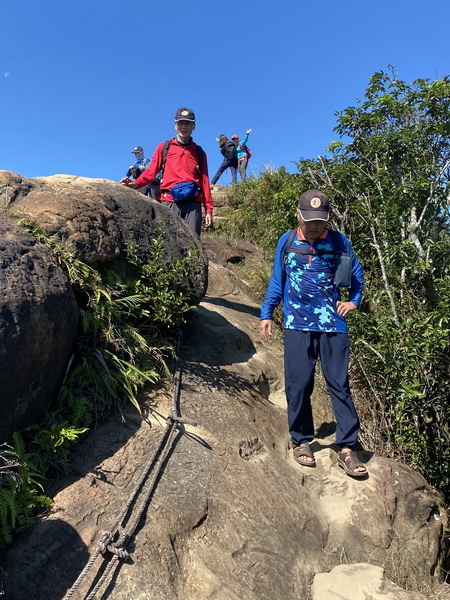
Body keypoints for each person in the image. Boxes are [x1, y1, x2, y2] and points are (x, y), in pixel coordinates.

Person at [260, 189, 367, 478]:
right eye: (308, 220)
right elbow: (277, 279)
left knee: (339, 385)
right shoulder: (287, 241)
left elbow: (357, 276)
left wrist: (353, 301)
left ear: (327, 219)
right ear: (299, 214)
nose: (313, 226)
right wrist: (267, 312)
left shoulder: (339, 241)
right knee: (299, 384)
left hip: (333, 325)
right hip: (297, 324)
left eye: (319, 221)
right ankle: (301, 440)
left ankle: (346, 446)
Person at [120, 108, 213, 236]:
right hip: (169, 200)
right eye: (181, 123)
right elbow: (151, 171)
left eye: (188, 123)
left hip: (193, 203)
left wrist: (208, 209)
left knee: (194, 246)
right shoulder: (164, 147)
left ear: (194, 126)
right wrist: (135, 183)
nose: (184, 127)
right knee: (169, 244)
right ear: (175, 125)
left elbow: (204, 182)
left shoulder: (199, 153)